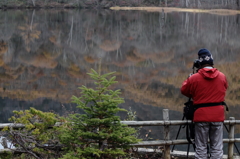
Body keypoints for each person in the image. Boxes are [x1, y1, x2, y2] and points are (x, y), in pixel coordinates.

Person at [181, 48, 228, 159]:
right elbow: (225, 88)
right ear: (212, 62)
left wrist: (189, 79)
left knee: (201, 147)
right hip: (218, 115)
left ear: (199, 63)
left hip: (201, 115)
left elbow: (184, 91)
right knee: (217, 147)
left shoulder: (194, 78)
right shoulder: (222, 76)